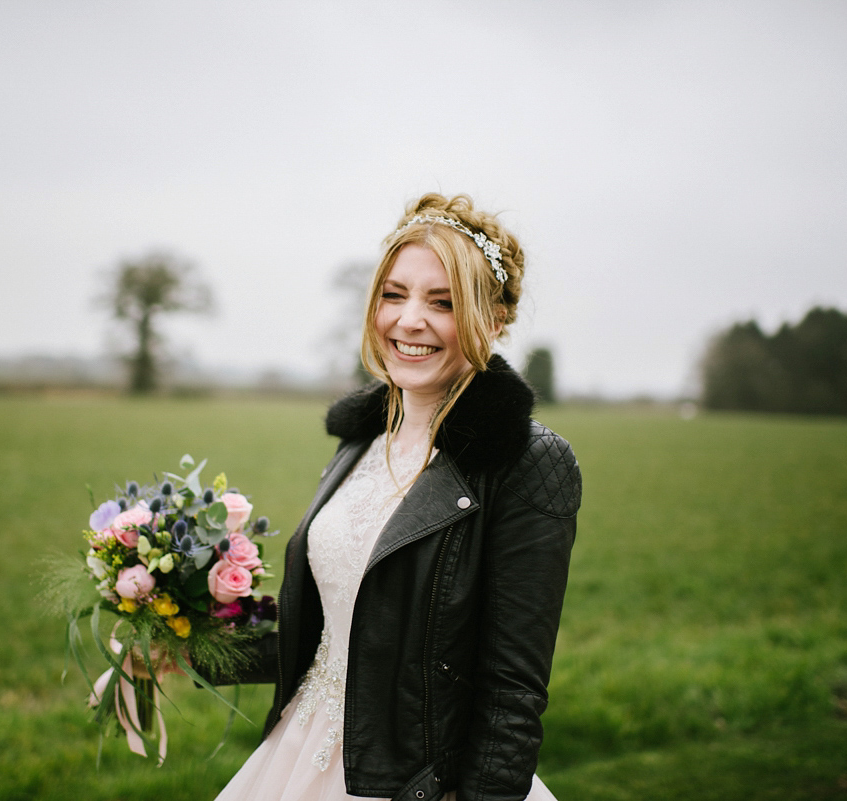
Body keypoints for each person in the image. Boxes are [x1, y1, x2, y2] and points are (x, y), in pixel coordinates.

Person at [214, 193, 581, 801]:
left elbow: (512, 688)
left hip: (418, 782)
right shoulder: (360, 442)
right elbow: (333, 632)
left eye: (443, 302)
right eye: (394, 294)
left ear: (492, 321)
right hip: (300, 755)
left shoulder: (526, 463)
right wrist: (189, 631)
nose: (410, 320)